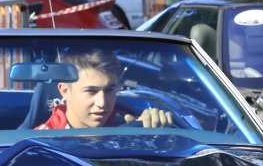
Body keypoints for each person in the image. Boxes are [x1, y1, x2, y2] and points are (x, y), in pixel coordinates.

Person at [34, 49, 175, 129]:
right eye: (91, 91)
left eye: (109, 90)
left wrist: (155, 134)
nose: (102, 102)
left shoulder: (132, 122)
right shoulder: (40, 144)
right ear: (65, 91)